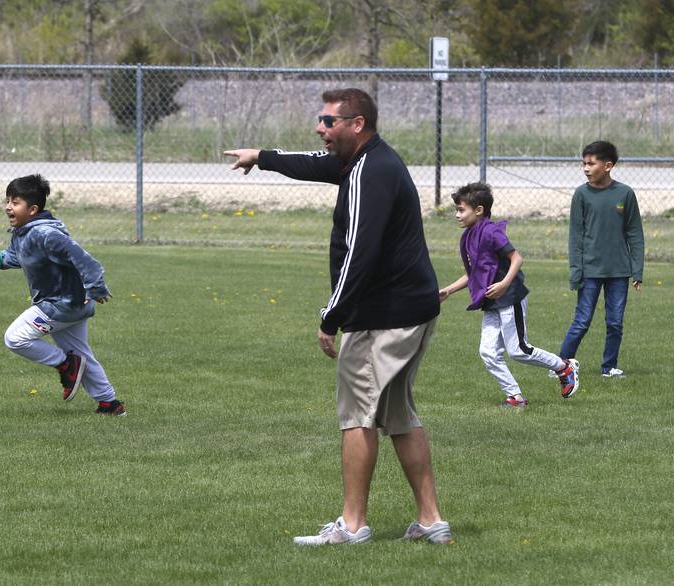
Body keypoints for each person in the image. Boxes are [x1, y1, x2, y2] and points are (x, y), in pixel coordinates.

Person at [225, 88, 451, 545]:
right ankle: (431, 521)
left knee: (358, 418)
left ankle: (352, 526)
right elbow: (316, 163)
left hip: (385, 316)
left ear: (357, 124)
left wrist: (332, 317)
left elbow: (358, 253)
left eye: (328, 122)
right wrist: (263, 157)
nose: (319, 129)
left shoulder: (370, 172)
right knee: (400, 416)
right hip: (411, 308)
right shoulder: (368, 160)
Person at [0, 174, 126, 416]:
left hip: (61, 304)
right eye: (8, 200)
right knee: (82, 355)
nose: (8, 206)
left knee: (15, 338)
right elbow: (15, 257)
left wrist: (96, 287)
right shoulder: (24, 232)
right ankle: (110, 405)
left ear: (33, 209)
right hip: (71, 305)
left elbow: (84, 260)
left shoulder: (45, 234)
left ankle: (65, 365)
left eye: (15, 202)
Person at [439, 183, 579, 409]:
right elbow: (473, 273)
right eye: (456, 210)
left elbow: (517, 259)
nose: (457, 215)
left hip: (509, 297)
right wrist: (447, 290)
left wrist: (504, 284)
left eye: (461, 209)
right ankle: (515, 397)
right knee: (487, 352)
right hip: (492, 302)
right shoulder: (468, 237)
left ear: (479, 210)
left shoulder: (491, 232)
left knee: (518, 350)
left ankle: (564, 367)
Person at [560, 141, 644, 378]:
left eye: (591, 163)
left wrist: (637, 271)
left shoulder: (625, 194)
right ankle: (561, 364)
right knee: (582, 321)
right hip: (590, 272)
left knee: (615, 322)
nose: (586, 168)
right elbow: (575, 237)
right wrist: (576, 271)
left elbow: (635, 233)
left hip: (619, 271)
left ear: (608, 166)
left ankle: (609, 367)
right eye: (583, 163)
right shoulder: (581, 194)